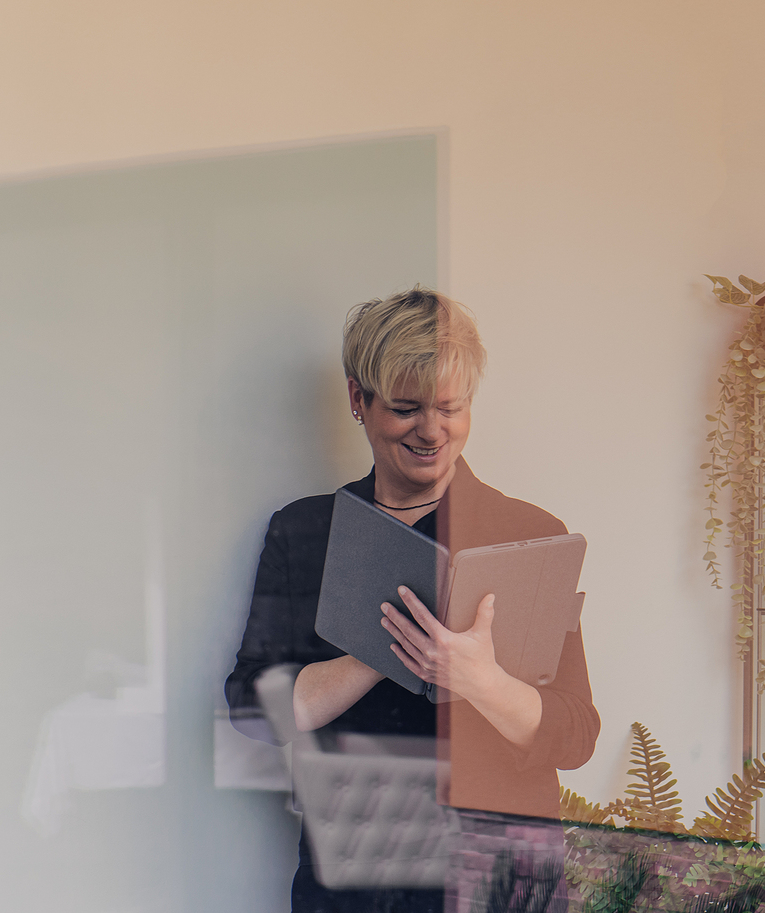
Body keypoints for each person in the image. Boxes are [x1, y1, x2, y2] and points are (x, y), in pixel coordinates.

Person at [225, 287, 599, 913]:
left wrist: (477, 678)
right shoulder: (306, 531)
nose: (432, 431)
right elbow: (253, 710)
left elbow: (575, 735)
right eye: (406, 408)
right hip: (355, 877)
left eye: (451, 408)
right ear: (357, 400)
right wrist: (381, 649)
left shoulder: (527, 533)